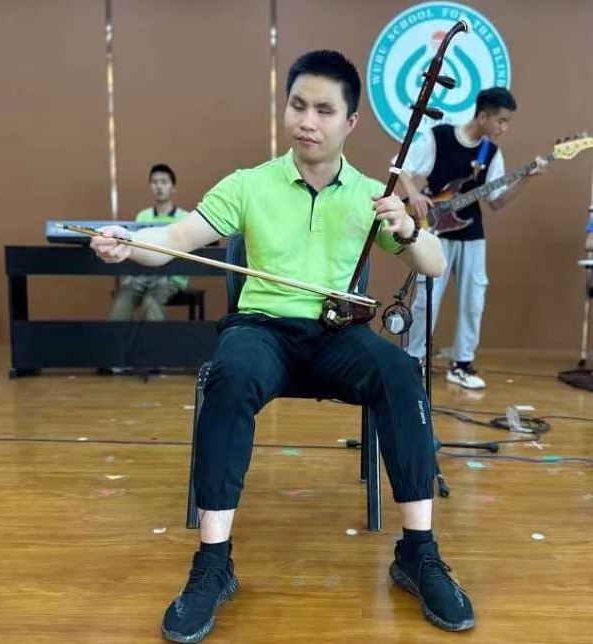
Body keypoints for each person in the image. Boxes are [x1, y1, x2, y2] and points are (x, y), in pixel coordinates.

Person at [91, 50, 475, 642]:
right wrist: (128, 243)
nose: (307, 121)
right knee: (230, 374)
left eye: (324, 110)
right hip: (262, 331)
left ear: (350, 122)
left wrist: (407, 228)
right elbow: (173, 238)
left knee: (399, 372)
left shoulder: (371, 195)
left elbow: (431, 264)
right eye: (298, 105)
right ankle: (213, 564)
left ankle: (418, 553)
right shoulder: (249, 184)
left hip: (338, 335)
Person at [396, 88, 547, 389]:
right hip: (434, 232)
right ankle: (414, 361)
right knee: (426, 300)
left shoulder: (490, 153)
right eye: (501, 121)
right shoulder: (439, 137)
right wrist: (413, 194)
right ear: (482, 117)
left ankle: (462, 364)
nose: (504, 128)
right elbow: (400, 166)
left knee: (473, 300)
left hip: (471, 233)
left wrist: (526, 177)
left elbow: (496, 201)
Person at [108, 163, 190, 322]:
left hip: (170, 277)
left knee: (150, 302)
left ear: (173, 188)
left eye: (164, 182)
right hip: (141, 274)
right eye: (155, 182)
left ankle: (155, 340)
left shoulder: (184, 217)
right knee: (122, 299)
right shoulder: (142, 216)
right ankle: (118, 339)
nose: (159, 186)